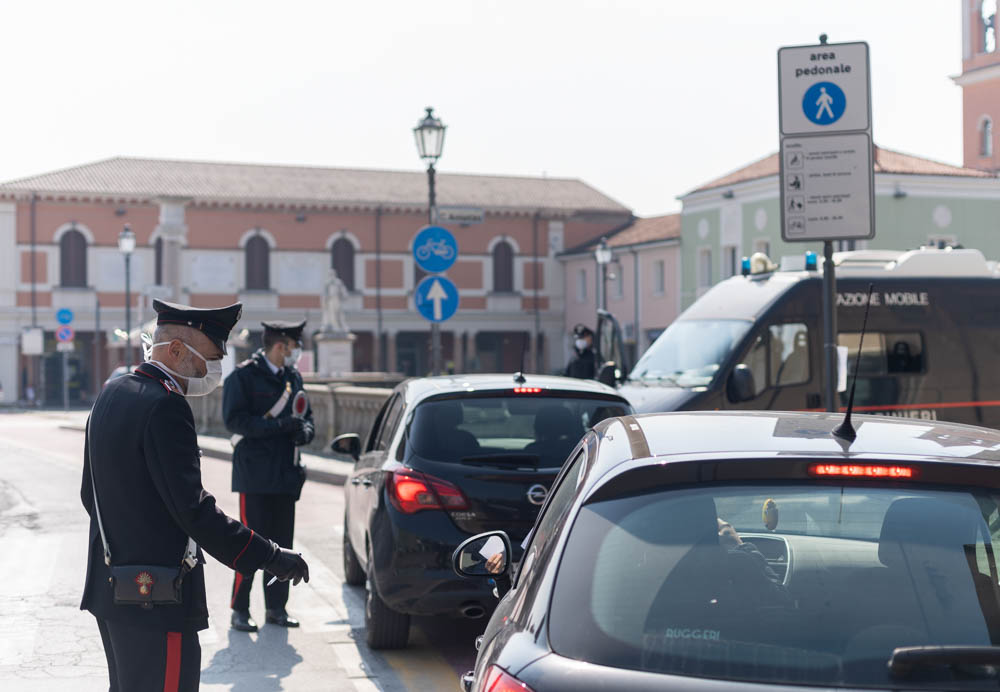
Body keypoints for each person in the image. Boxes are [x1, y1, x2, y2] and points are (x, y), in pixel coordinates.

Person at [81, 299, 309, 692]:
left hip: (113, 585)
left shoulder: (113, 392)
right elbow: (195, 512)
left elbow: (90, 493)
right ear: (174, 351)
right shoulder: (166, 406)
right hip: (158, 594)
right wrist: (270, 556)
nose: (211, 371)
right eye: (208, 360)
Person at [223, 319, 315, 632]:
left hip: (286, 475)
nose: (297, 352)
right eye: (294, 346)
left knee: (282, 544)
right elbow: (234, 420)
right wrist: (278, 426)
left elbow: (307, 418)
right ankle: (240, 609)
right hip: (255, 476)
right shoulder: (245, 376)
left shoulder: (293, 377)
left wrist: (304, 432)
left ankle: (277, 608)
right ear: (280, 346)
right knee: (250, 543)